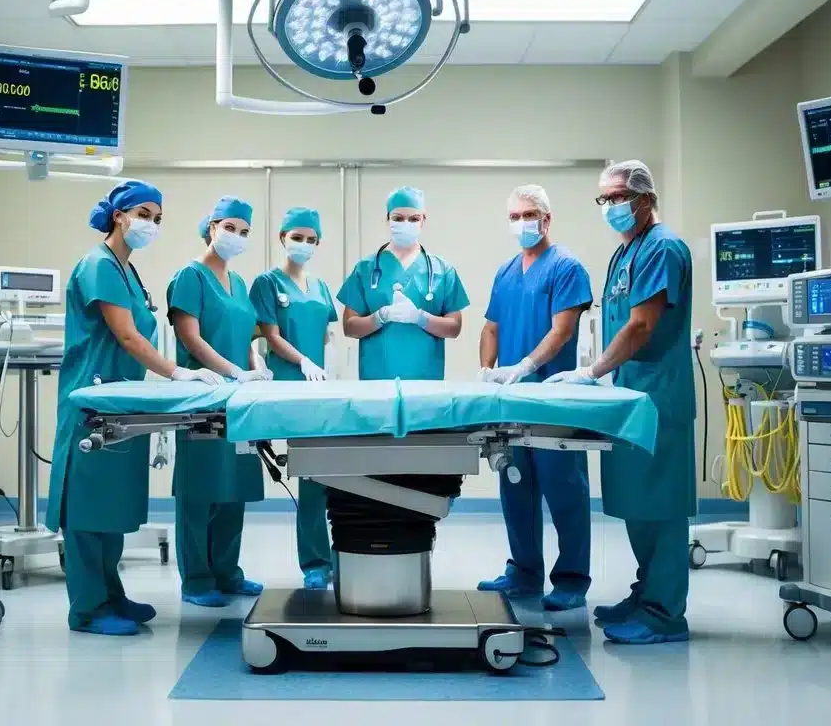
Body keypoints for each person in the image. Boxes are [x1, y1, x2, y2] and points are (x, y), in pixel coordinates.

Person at [46, 181, 222, 636]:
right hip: (91, 401)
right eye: (144, 214)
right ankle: (86, 608)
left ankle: (112, 595)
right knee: (87, 511)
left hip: (120, 405)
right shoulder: (98, 265)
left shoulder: (129, 271)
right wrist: (177, 373)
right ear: (119, 215)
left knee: (112, 507)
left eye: (158, 218)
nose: (151, 224)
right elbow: (126, 336)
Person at [546, 160, 696, 645]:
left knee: (661, 507)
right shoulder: (625, 252)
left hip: (659, 397)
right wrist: (599, 370)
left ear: (645, 199)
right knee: (637, 503)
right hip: (631, 395)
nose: (610, 207)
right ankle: (645, 592)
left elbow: (641, 325)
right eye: (604, 200)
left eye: (617, 198)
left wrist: (592, 371)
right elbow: (615, 323)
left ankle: (665, 611)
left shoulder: (664, 249)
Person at [476, 184, 594, 612]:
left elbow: (562, 330)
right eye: (514, 216)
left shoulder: (566, 268)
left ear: (547, 218)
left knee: (563, 488)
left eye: (529, 215)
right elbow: (490, 328)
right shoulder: (506, 272)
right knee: (515, 486)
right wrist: (488, 371)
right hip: (511, 402)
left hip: (551, 397)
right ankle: (524, 573)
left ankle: (571, 579)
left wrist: (524, 366)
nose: (521, 223)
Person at [167, 195, 273, 608]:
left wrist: (253, 362)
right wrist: (231, 370)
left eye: (244, 231)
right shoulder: (189, 277)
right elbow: (189, 336)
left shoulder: (240, 283)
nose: (236, 236)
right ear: (211, 227)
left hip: (240, 397)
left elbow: (247, 332)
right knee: (200, 489)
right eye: (230, 228)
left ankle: (228, 571)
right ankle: (196, 578)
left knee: (234, 485)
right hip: (204, 395)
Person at [249, 207, 338, 590]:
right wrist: (302, 362)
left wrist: (326, 368)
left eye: (311, 239)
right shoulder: (267, 283)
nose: (303, 244)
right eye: (297, 237)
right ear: (282, 238)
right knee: (307, 470)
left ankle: (336, 554)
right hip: (287, 384)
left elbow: (327, 336)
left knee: (324, 473)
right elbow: (270, 334)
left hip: (319, 386)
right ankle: (315, 563)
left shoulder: (320, 287)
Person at [338, 187, 469, 380]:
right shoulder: (365, 269)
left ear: (424, 220)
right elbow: (349, 327)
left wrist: (420, 318)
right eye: (398, 218)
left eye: (414, 219)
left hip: (425, 380)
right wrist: (380, 317)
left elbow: (454, 328)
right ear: (387, 219)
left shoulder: (442, 270)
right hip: (377, 379)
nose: (406, 223)